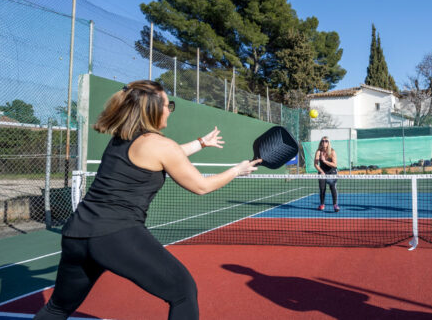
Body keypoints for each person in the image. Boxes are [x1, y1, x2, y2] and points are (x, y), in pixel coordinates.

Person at [34, 80, 259, 320]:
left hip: (76, 235)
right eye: (167, 105)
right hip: (115, 234)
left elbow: (168, 155)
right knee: (183, 292)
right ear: (152, 109)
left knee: (57, 308)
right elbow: (201, 186)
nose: (169, 110)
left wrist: (201, 143)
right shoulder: (159, 145)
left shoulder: (122, 139)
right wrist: (238, 170)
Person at [314, 136, 339, 212]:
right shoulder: (318, 151)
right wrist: (321, 171)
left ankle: (335, 205)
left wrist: (325, 161)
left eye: (326, 141)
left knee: (332, 188)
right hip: (322, 172)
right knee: (322, 189)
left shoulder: (332, 151)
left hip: (332, 172)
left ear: (328, 143)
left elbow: (335, 164)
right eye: (322, 141)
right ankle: (322, 205)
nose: (324, 142)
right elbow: (315, 164)